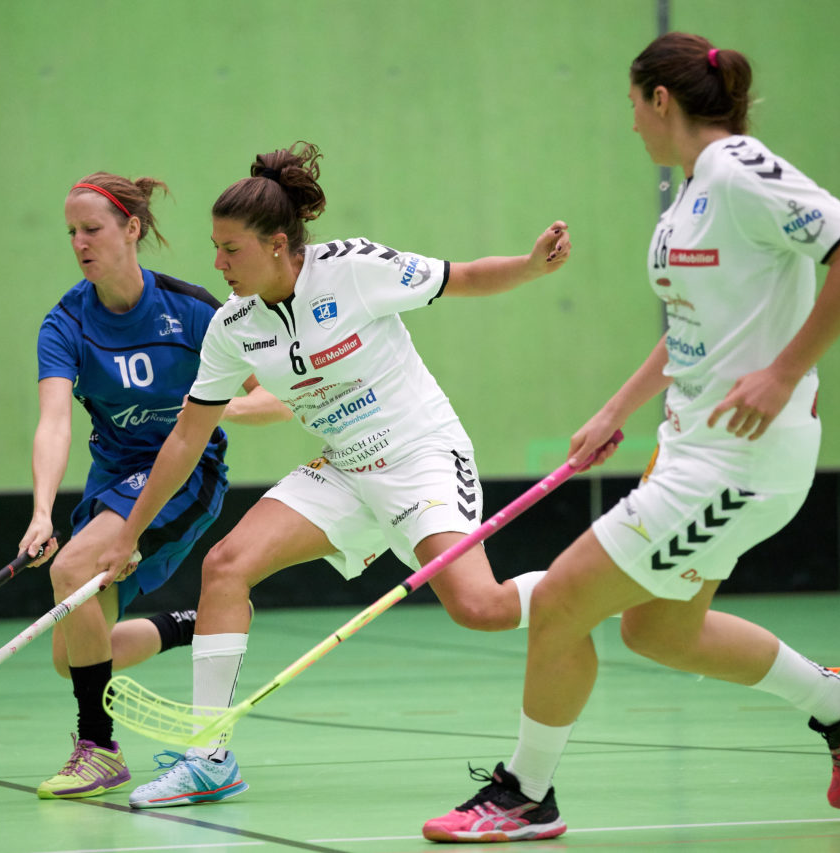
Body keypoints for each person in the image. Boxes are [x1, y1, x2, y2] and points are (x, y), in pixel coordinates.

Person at [421, 32, 840, 843]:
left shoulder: (741, 170)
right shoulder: (688, 197)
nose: (632, 126)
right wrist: (617, 408)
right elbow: (692, 329)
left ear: (661, 100)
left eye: (633, 108)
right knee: (659, 627)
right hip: (692, 449)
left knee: (564, 604)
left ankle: (526, 796)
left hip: (741, 461)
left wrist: (785, 372)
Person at [94, 141, 573, 809]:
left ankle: (599, 584)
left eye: (231, 248)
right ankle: (208, 757)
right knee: (226, 565)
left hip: (419, 455)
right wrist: (130, 531)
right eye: (215, 247)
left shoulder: (353, 270)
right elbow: (186, 437)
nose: (217, 263)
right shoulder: (234, 327)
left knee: (480, 607)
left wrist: (527, 266)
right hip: (345, 469)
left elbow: (461, 277)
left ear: (278, 243)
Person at [17, 172, 288, 801]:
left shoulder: (191, 308)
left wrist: (205, 411)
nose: (80, 244)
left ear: (131, 229)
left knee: (74, 572)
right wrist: (40, 512)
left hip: (185, 475)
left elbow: (273, 399)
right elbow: (54, 423)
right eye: (72, 234)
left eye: (93, 229)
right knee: (75, 652)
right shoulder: (65, 324)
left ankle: (98, 748)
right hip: (112, 477)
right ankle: (199, 622)